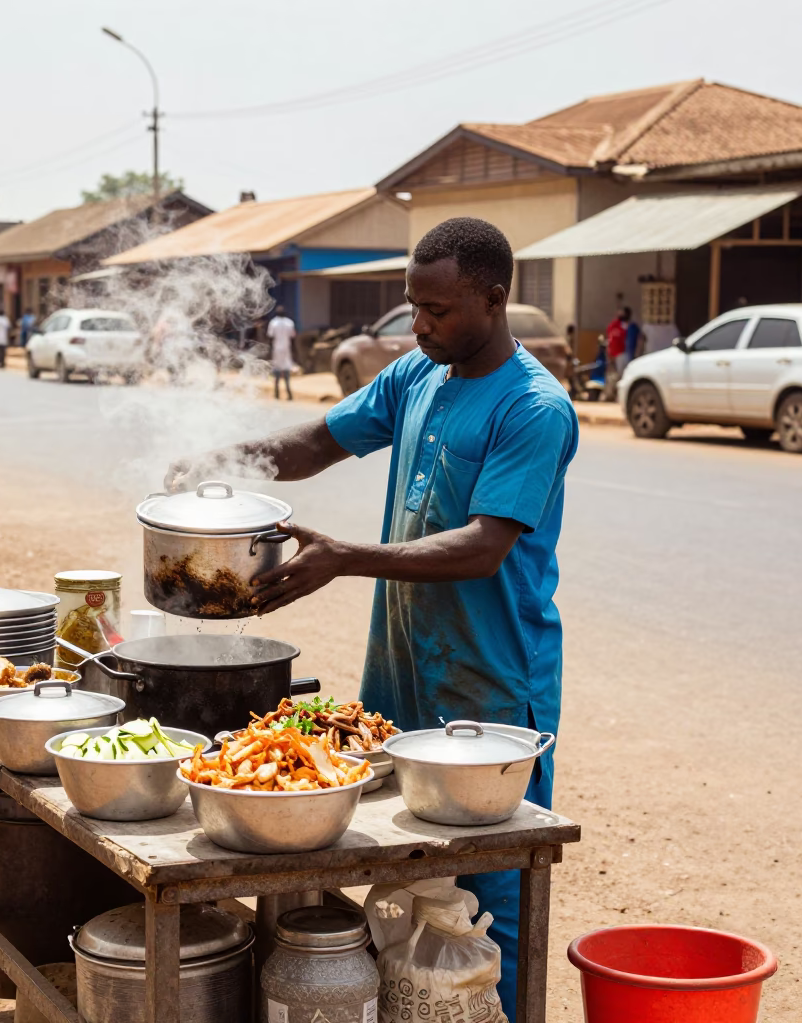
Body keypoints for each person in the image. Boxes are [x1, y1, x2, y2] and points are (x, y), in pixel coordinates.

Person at [165, 217, 578, 1022]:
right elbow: (319, 440)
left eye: (438, 310)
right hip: (402, 673)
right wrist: (222, 459)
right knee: (401, 885)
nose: (419, 325)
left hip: (489, 688)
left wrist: (345, 556)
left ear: (493, 301)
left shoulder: (534, 408)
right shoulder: (418, 376)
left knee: (489, 895)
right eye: (412, 306)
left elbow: (484, 546)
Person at [266, 304, 296, 400]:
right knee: (286, 370)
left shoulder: (273, 323)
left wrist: (270, 350)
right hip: (286, 349)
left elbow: (270, 337)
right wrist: (294, 350)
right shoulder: (290, 323)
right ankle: (289, 393)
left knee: (277, 370)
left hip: (277, 349)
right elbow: (293, 338)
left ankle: (277, 393)